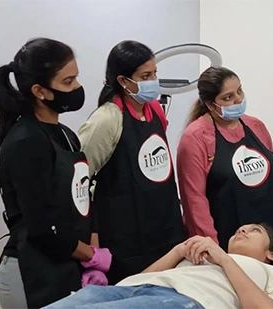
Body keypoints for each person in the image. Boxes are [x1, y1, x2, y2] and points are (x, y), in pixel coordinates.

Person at [0, 38, 112, 308]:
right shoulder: (26, 142)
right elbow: (42, 227)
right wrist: (91, 255)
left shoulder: (66, 136)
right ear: (40, 91)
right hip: (33, 273)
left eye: (76, 78)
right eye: (68, 82)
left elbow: (82, 201)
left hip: (69, 265)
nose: (78, 88)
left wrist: (93, 256)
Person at [78, 40, 186, 284]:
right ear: (123, 81)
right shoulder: (106, 120)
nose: (153, 81)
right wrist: (91, 249)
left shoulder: (155, 109)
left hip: (165, 227)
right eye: (145, 75)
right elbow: (79, 178)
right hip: (125, 238)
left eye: (154, 73)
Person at [44, 223, 273, 309]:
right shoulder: (202, 256)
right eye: (242, 227)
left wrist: (224, 258)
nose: (243, 229)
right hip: (133, 289)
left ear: (272, 254)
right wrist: (178, 251)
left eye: (255, 231)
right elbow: (134, 282)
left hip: (183, 300)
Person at [177, 66, 273, 253]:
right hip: (228, 242)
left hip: (268, 238)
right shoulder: (196, 137)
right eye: (228, 97)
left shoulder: (256, 126)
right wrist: (212, 249)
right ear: (210, 103)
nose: (238, 99)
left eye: (239, 91)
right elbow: (194, 200)